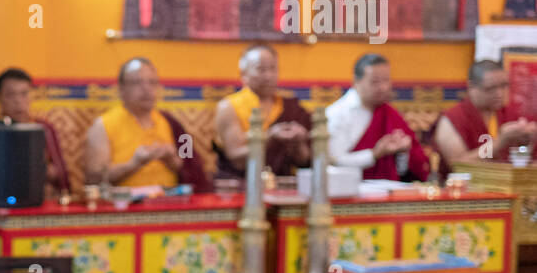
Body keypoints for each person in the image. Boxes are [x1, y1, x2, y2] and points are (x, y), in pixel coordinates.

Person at [84, 58, 210, 191]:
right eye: (136, 83)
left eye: (152, 82)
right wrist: (134, 164)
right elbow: (94, 179)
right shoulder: (102, 126)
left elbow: (193, 168)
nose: (146, 89)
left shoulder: (173, 124)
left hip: (170, 205)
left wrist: (172, 161)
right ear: (121, 89)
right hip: (123, 207)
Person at [0, 67, 70, 199]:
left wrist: (44, 171)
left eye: (24, 93)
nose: (18, 101)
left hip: (36, 199)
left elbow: (61, 175)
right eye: (11, 95)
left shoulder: (43, 128)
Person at [213, 44, 312, 180]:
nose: (268, 76)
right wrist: (270, 137)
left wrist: (298, 142)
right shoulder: (229, 107)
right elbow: (236, 158)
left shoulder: (290, 107)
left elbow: (303, 161)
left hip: (281, 184)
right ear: (244, 74)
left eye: (273, 69)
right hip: (240, 184)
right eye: (261, 69)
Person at [325, 53, 429, 181]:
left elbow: (404, 171)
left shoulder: (390, 113)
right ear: (356, 81)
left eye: (386, 80)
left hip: (389, 191)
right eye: (375, 82)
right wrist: (374, 154)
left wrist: (402, 151)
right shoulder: (337, 113)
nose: (383, 87)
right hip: (347, 190)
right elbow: (333, 161)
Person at [432, 59, 536, 176]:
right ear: (472, 87)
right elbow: (459, 166)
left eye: (504, 86)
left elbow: (526, 160)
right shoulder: (451, 119)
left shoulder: (509, 113)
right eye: (491, 88)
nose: (499, 94)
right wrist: (500, 142)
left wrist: (528, 139)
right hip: (467, 190)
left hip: (506, 187)